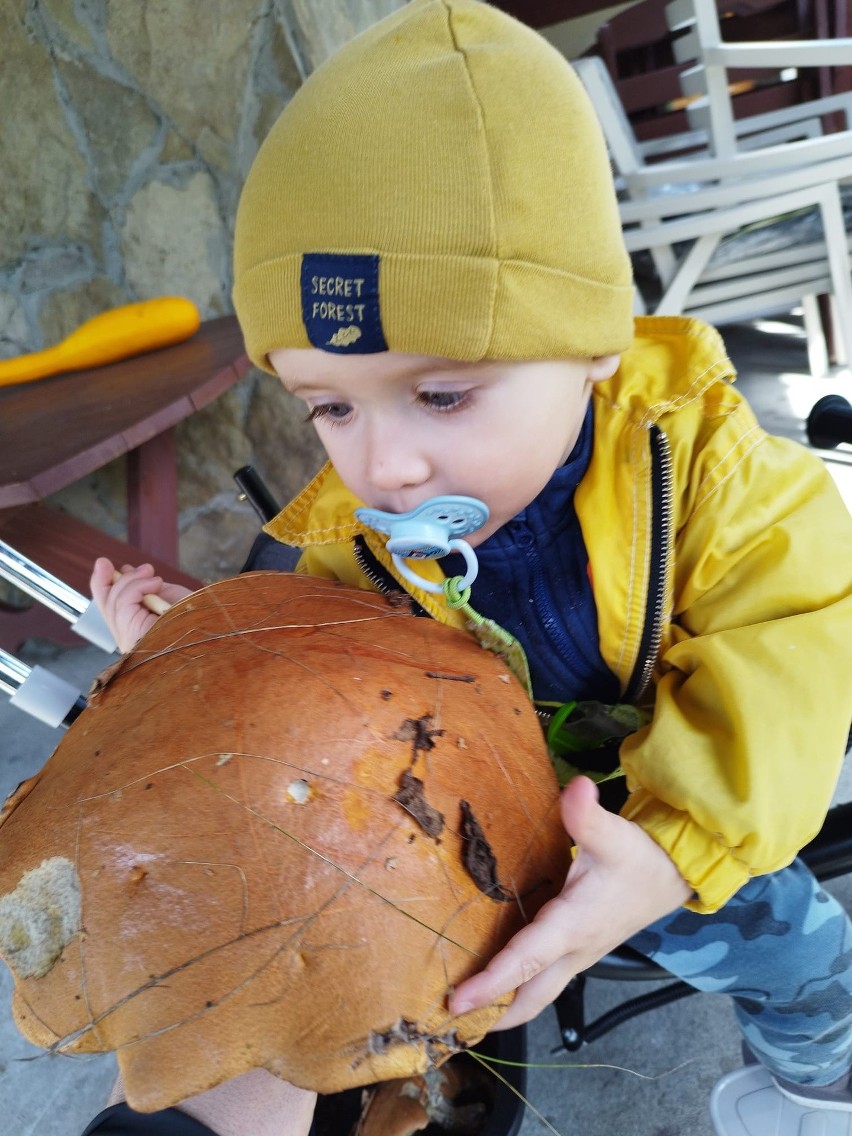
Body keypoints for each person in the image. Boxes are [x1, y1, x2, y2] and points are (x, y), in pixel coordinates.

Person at [89, 2, 852, 1134]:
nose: (386, 463)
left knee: (804, 962)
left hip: (669, 825)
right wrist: (191, 654)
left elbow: (796, 644)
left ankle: (815, 1076)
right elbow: (315, 671)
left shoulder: (720, 481)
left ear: (594, 343)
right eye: (330, 406)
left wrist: (671, 850)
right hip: (461, 841)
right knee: (396, 1010)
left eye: (443, 392)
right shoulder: (350, 535)